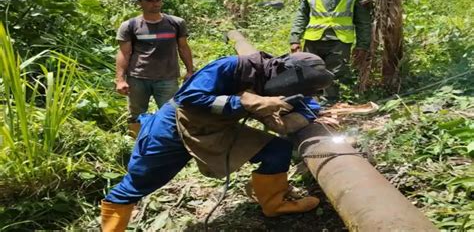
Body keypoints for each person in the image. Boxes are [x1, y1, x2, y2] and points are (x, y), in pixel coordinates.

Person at [101, 51, 334, 231]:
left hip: (218, 129)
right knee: (136, 185)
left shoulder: (286, 81)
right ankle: (112, 224)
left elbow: (305, 104)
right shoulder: (232, 67)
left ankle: (274, 205)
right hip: (174, 129)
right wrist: (245, 103)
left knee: (277, 150)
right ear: (286, 75)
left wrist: (304, 116)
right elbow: (190, 97)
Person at [289, 0, 372, 103]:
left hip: (339, 42)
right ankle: (310, 103)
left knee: (334, 74)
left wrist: (362, 45)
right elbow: (301, 16)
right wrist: (295, 39)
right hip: (313, 40)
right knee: (310, 71)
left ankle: (329, 104)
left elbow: (363, 22)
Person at [115, 0, 194, 136]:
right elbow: (124, 53)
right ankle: (137, 145)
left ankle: (168, 146)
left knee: (172, 114)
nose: (155, 3)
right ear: (139, 3)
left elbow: (183, 47)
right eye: (150, 0)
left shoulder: (176, 23)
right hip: (138, 78)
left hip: (167, 78)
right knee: (136, 115)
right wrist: (120, 80)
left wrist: (190, 71)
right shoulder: (130, 26)